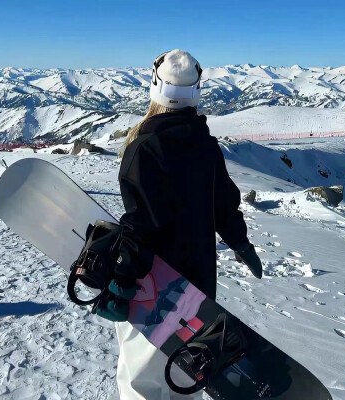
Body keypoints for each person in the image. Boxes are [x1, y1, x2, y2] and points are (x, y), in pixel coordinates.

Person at [97, 49, 263, 399]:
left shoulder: (143, 146)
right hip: (198, 290)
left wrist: (123, 276)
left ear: (155, 87)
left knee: (143, 383)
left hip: (151, 290)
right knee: (185, 383)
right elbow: (224, 206)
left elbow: (141, 222)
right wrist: (240, 243)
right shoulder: (205, 146)